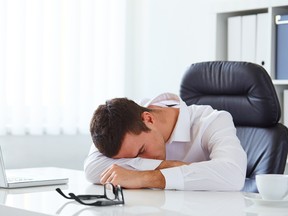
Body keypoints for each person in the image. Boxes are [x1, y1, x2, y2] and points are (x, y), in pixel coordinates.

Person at [84, 92, 247, 191]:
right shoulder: (121, 121)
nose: (143, 159)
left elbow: (234, 174)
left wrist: (145, 178)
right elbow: (92, 168)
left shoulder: (212, 120)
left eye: (141, 151)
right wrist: (170, 166)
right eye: (131, 159)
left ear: (148, 118)